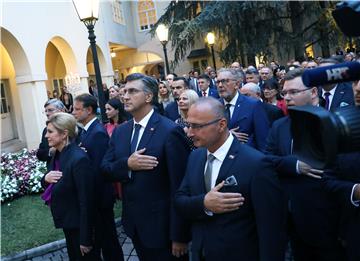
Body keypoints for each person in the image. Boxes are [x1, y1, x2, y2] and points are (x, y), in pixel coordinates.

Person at [175, 97, 287, 261]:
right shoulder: (195, 156)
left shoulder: (256, 164)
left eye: (197, 126)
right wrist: (204, 204)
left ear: (221, 125)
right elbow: (180, 201)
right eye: (188, 125)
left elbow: (271, 229)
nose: (190, 133)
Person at [101, 73, 191, 261]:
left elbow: (181, 186)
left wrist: (179, 235)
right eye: (124, 91)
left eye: (132, 91)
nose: (125, 96)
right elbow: (105, 169)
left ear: (149, 97)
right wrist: (127, 164)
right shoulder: (121, 131)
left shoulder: (169, 131)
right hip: (134, 225)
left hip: (163, 229)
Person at [266, 68, 345, 261]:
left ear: (313, 92)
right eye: (285, 93)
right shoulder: (279, 126)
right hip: (292, 218)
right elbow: (266, 160)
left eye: (294, 92)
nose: (288, 98)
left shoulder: (334, 123)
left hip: (329, 219)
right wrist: (294, 166)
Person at [73, 94, 123, 261]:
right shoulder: (87, 131)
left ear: (89, 110)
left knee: (109, 241)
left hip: (100, 197)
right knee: (104, 239)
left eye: (77, 109)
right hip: (96, 197)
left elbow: (99, 169)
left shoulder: (97, 133)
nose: (74, 112)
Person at [41, 112, 97, 260]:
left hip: (79, 226)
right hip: (69, 223)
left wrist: (85, 238)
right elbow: (51, 179)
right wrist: (45, 179)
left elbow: (86, 201)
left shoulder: (78, 159)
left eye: (50, 131)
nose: (46, 135)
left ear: (64, 133)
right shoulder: (57, 154)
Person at [217, 68, 270, 152]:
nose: (220, 85)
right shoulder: (214, 106)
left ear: (237, 84)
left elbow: (263, 141)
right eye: (218, 82)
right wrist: (226, 136)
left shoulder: (253, 105)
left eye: (225, 81)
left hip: (248, 160)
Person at [36, 99, 66, 168]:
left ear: (62, 110)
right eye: (45, 111)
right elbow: (40, 154)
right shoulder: (46, 130)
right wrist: (50, 151)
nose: (47, 113)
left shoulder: (73, 128)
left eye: (50, 110)